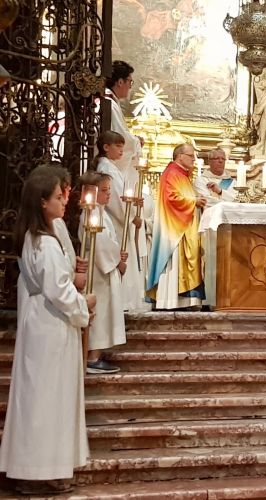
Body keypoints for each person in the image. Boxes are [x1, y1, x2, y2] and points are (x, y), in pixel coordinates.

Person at [0, 174, 94, 495]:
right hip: (51, 329)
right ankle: (34, 471)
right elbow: (59, 292)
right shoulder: (45, 243)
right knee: (46, 401)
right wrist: (84, 306)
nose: (64, 200)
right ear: (42, 202)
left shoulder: (34, 237)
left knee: (41, 400)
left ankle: (43, 468)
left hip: (41, 326)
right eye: (58, 196)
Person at [103, 62, 151, 313]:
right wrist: (135, 142)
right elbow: (122, 139)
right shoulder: (108, 103)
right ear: (120, 82)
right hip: (120, 197)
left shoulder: (111, 103)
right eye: (130, 82)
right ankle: (123, 300)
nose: (130, 88)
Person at [78, 171, 128, 375]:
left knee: (106, 311)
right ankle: (92, 356)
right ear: (92, 192)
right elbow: (100, 242)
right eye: (105, 190)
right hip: (98, 269)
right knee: (100, 312)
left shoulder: (100, 211)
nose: (109, 194)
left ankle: (96, 353)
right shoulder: (91, 213)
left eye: (109, 190)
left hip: (102, 266)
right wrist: (117, 260)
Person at [147, 144, 207, 310]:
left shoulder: (182, 175)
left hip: (184, 226)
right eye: (190, 156)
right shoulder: (172, 173)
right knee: (176, 263)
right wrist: (194, 201)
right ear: (180, 156)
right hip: (174, 229)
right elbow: (172, 198)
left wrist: (195, 200)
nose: (194, 159)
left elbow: (182, 196)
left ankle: (186, 299)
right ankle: (171, 299)